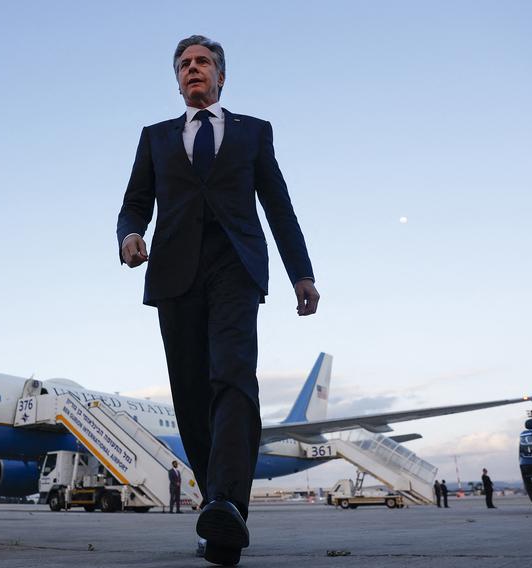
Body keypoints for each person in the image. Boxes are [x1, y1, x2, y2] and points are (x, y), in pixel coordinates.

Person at [117, 34, 319, 566]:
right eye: (183, 64)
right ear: (177, 79)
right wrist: (130, 234)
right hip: (174, 273)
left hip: (236, 265)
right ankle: (218, 512)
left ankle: (228, 500)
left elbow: (279, 206)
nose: (192, 69)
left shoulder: (254, 132)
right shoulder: (155, 137)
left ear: (221, 75)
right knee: (190, 393)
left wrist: (302, 273)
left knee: (231, 376)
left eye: (202, 62)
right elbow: (134, 202)